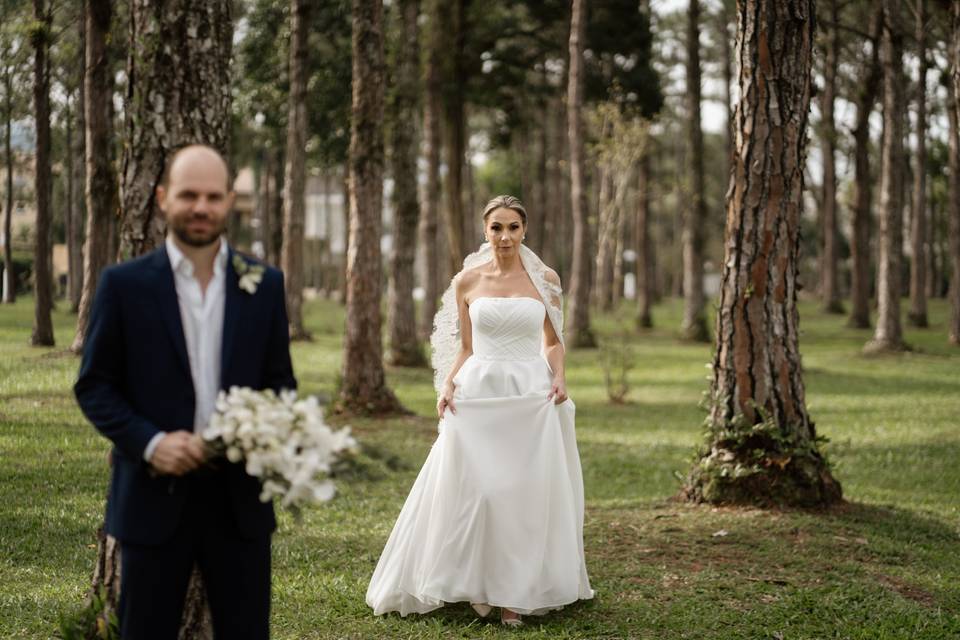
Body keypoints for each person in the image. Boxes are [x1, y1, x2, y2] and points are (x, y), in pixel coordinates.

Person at [74, 144, 296, 639]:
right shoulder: (123, 285)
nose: (201, 207)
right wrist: (150, 443)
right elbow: (95, 385)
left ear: (228, 202)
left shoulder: (263, 285)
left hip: (239, 503)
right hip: (152, 499)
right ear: (161, 198)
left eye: (213, 197)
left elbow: (280, 385)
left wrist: (249, 435)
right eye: (189, 194)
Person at [366, 195, 593, 626]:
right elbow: (466, 347)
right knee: (480, 492)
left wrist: (559, 376)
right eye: (496, 228)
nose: (505, 236)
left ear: (524, 230)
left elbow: (553, 340)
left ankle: (514, 594)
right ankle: (476, 581)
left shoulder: (545, 278)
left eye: (512, 227)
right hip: (479, 392)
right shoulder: (467, 281)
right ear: (485, 231)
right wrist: (449, 383)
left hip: (530, 393)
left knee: (522, 494)